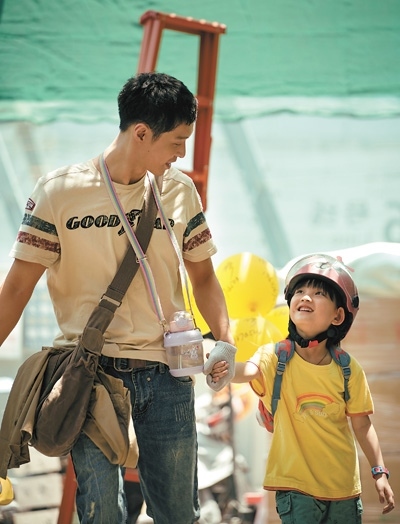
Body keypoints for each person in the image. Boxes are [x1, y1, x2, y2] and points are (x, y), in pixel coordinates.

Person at [0, 72, 236, 524]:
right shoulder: (59, 192)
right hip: (90, 376)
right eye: (176, 142)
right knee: (102, 512)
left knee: (178, 514)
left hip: (168, 374)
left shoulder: (179, 190)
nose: (181, 154)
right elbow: (16, 287)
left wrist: (224, 340)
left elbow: (204, 276)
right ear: (141, 133)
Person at [210, 254, 395, 523]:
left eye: (319, 293)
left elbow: (362, 425)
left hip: (344, 489)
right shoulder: (274, 356)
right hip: (295, 487)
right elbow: (248, 370)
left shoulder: (348, 369)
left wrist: (379, 473)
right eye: (300, 291)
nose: (306, 297)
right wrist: (224, 366)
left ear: (338, 316)